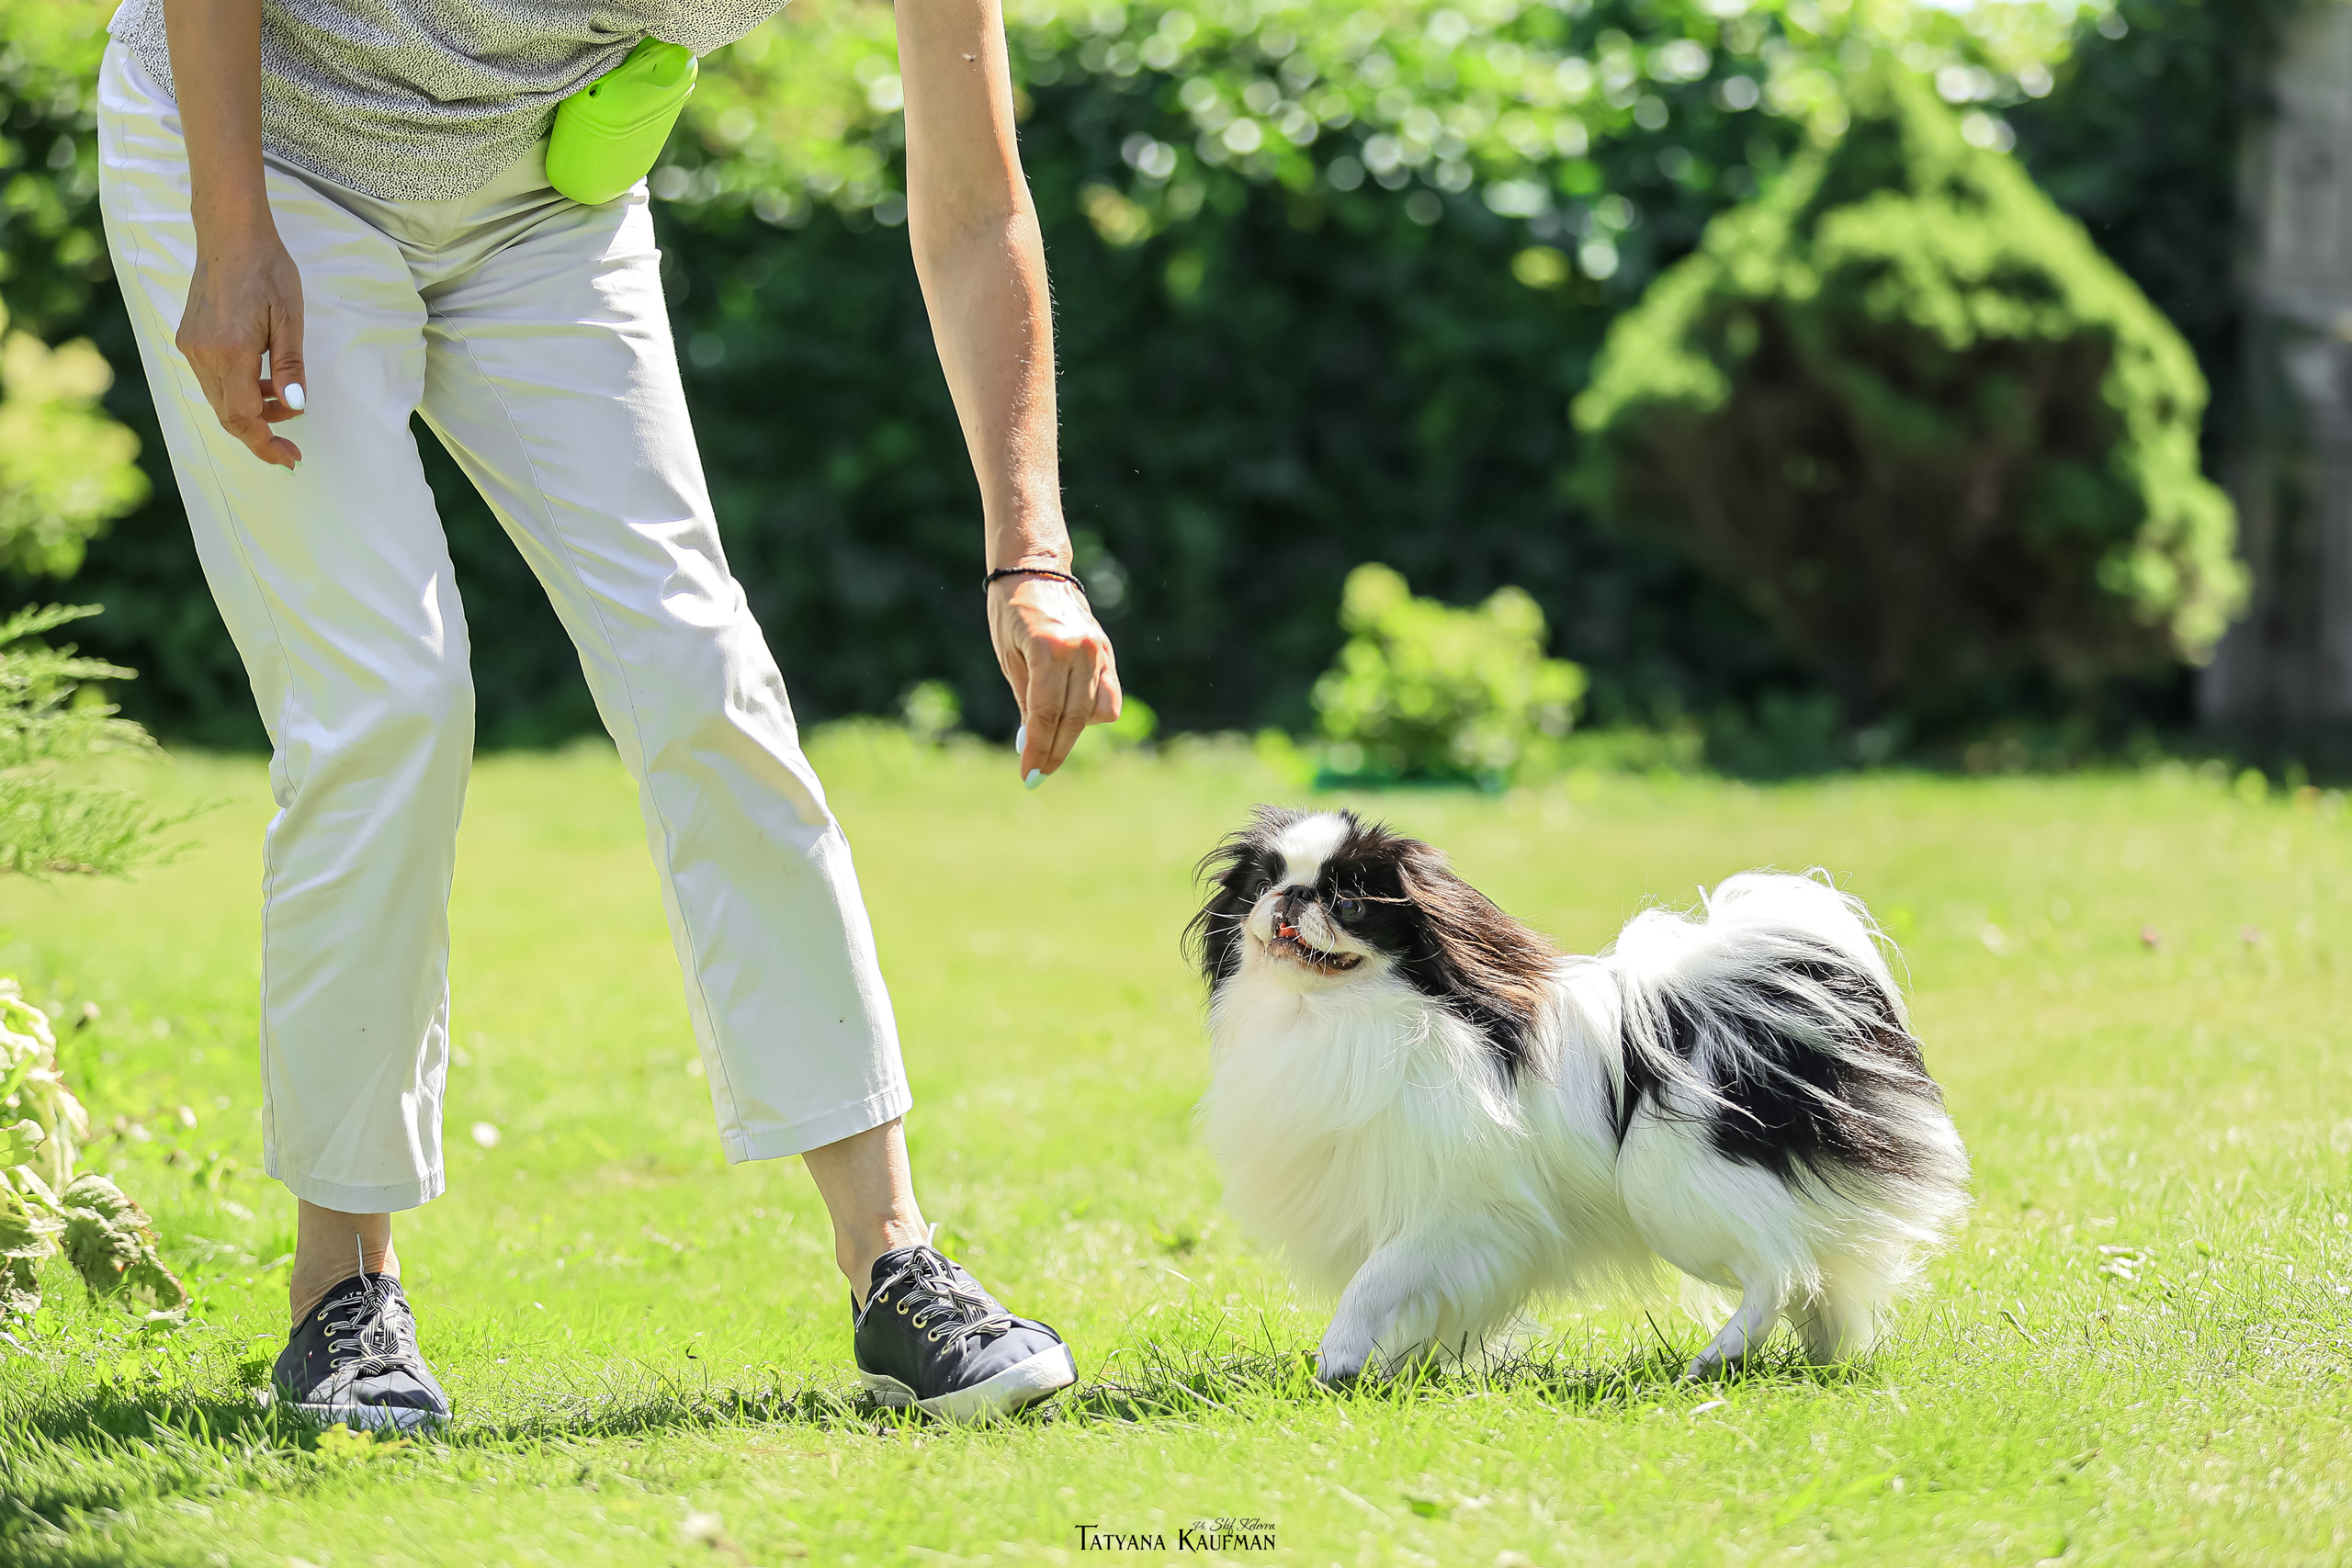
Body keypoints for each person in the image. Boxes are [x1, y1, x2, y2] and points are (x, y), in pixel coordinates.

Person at [96, 0, 1120, 1427]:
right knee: (387, 701)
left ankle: (895, 1264)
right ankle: (341, 1295)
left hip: (538, 211)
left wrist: (1033, 558)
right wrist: (230, 225)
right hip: (272, 165)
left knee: (707, 676)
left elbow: (972, 212)